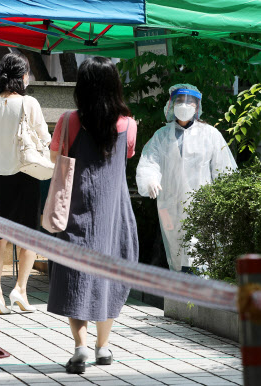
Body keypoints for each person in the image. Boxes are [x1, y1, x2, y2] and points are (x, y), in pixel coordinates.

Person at [46, 57, 139, 374]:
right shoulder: (128, 124)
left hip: (76, 210)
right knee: (110, 275)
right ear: (115, 85)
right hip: (114, 213)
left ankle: (80, 347)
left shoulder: (69, 120)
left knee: (76, 275)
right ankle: (103, 347)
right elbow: (126, 154)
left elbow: (53, 155)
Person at [0, 52, 49, 314]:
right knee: (28, 236)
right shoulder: (29, 103)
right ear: (23, 75)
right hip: (26, 175)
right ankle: (20, 290)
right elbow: (44, 139)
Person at [136, 84, 237, 272]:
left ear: (197, 107)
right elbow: (150, 161)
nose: (184, 105)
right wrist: (150, 179)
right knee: (175, 252)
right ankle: (181, 294)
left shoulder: (210, 135)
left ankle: (196, 292)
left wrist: (224, 203)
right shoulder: (161, 136)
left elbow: (224, 170)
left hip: (202, 206)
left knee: (198, 253)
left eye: (189, 101)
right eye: (180, 101)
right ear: (171, 105)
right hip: (169, 205)